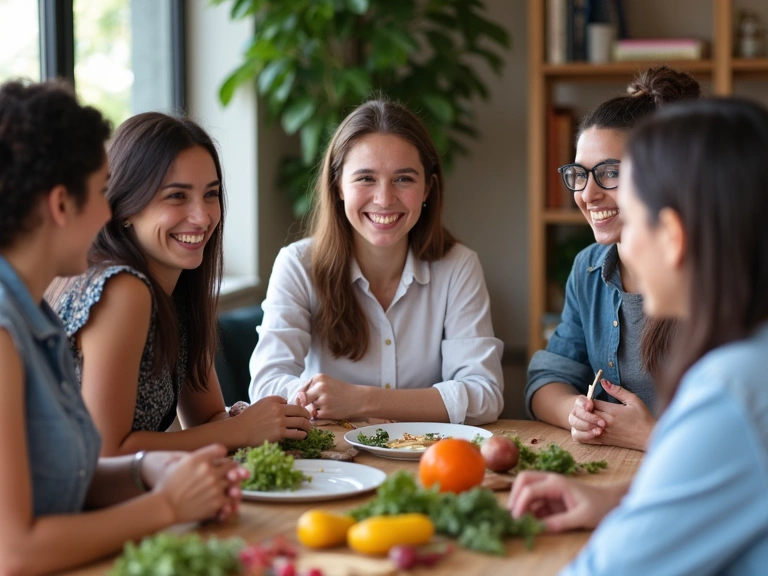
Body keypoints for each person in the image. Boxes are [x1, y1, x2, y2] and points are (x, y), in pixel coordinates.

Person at [509, 97, 768, 575]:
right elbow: (722, 487)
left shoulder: (730, 388)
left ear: (672, 234)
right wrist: (614, 498)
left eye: (635, 210)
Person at [0, 79, 247, 575]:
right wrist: (167, 505)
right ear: (61, 205)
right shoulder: (5, 335)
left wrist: (142, 468)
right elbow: (14, 552)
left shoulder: (35, 315)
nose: (108, 211)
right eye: (101, 191)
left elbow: (64, 477)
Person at [51, 112, 312, 456]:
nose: (202, 217)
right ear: (125, 207)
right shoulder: (121, 289)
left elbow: (207, 421)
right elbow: (105, 453)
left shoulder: (181, 287)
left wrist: (249, 419)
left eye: (211, 194)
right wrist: (239, 430)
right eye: (176, 196)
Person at [249, 99, 504, 425]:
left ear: (428, 188)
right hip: (331, 461)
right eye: (366, 178)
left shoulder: (458, 266)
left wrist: (360, 401)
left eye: (404, 179)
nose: (384, 199)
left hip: (426, 458)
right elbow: (267, 385)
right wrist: (320, 399)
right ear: (338, 186)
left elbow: (484, 394)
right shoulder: (298, 265)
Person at [525, 66, 700, 450]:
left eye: (608, 173)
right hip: (614, 475)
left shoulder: (718, 276)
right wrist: (576, 411)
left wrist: (649, 436)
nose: (587, 194)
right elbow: (545, 379)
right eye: (579, 174)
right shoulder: (589, 267)